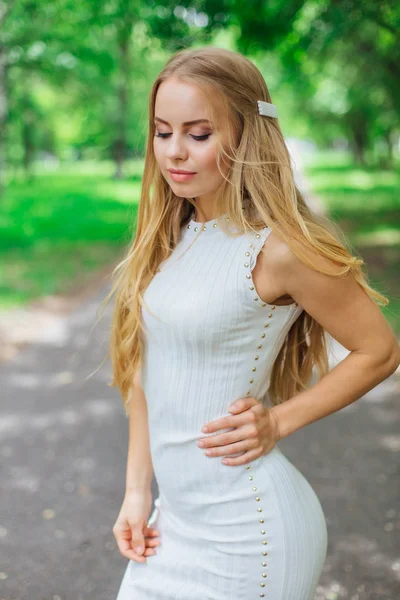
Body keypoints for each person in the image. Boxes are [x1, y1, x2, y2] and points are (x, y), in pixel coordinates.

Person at [103, 46, 399, 599]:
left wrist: (279, 421)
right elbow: (145, 374)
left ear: (244, 135)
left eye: (198, 133)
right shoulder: (170, 240)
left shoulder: (278, 248)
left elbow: (378, 349)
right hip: (172, 526)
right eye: (162, 132)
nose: (174, 152)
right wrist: (137, 491)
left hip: (249, 534)